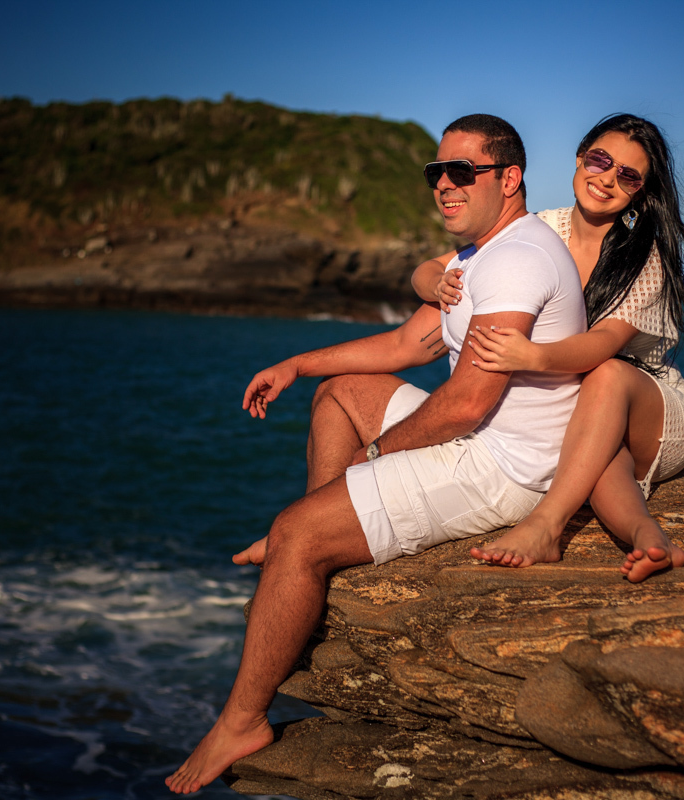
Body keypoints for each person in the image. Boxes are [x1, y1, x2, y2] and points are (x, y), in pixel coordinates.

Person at [165, 114, 585, 794]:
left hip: (507, 469)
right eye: (436, 174)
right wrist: (296, 364)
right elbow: (406, 347)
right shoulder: (476, 255)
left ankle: (243, 718)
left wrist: (378, 455)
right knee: (341, 393)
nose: (444, 187)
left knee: (297, 533)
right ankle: (323, 543)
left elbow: (468, 401)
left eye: (462, 173)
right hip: (479, 436)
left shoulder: (518, 259)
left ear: (509, 179)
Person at [411, 113, 684, 582]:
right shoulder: (537, 228)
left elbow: (602, 346)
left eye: (628, 175)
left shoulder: (645, 255)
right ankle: (651, 541)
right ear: (580, 158)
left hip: (648, 401)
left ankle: (546, 526)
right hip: (583, 400)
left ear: (639, 191)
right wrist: (437, 283)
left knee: (608, 375)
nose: (607, 178)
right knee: (597, 460)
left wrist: (532, 357)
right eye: (600, 160)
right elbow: (427, 268)